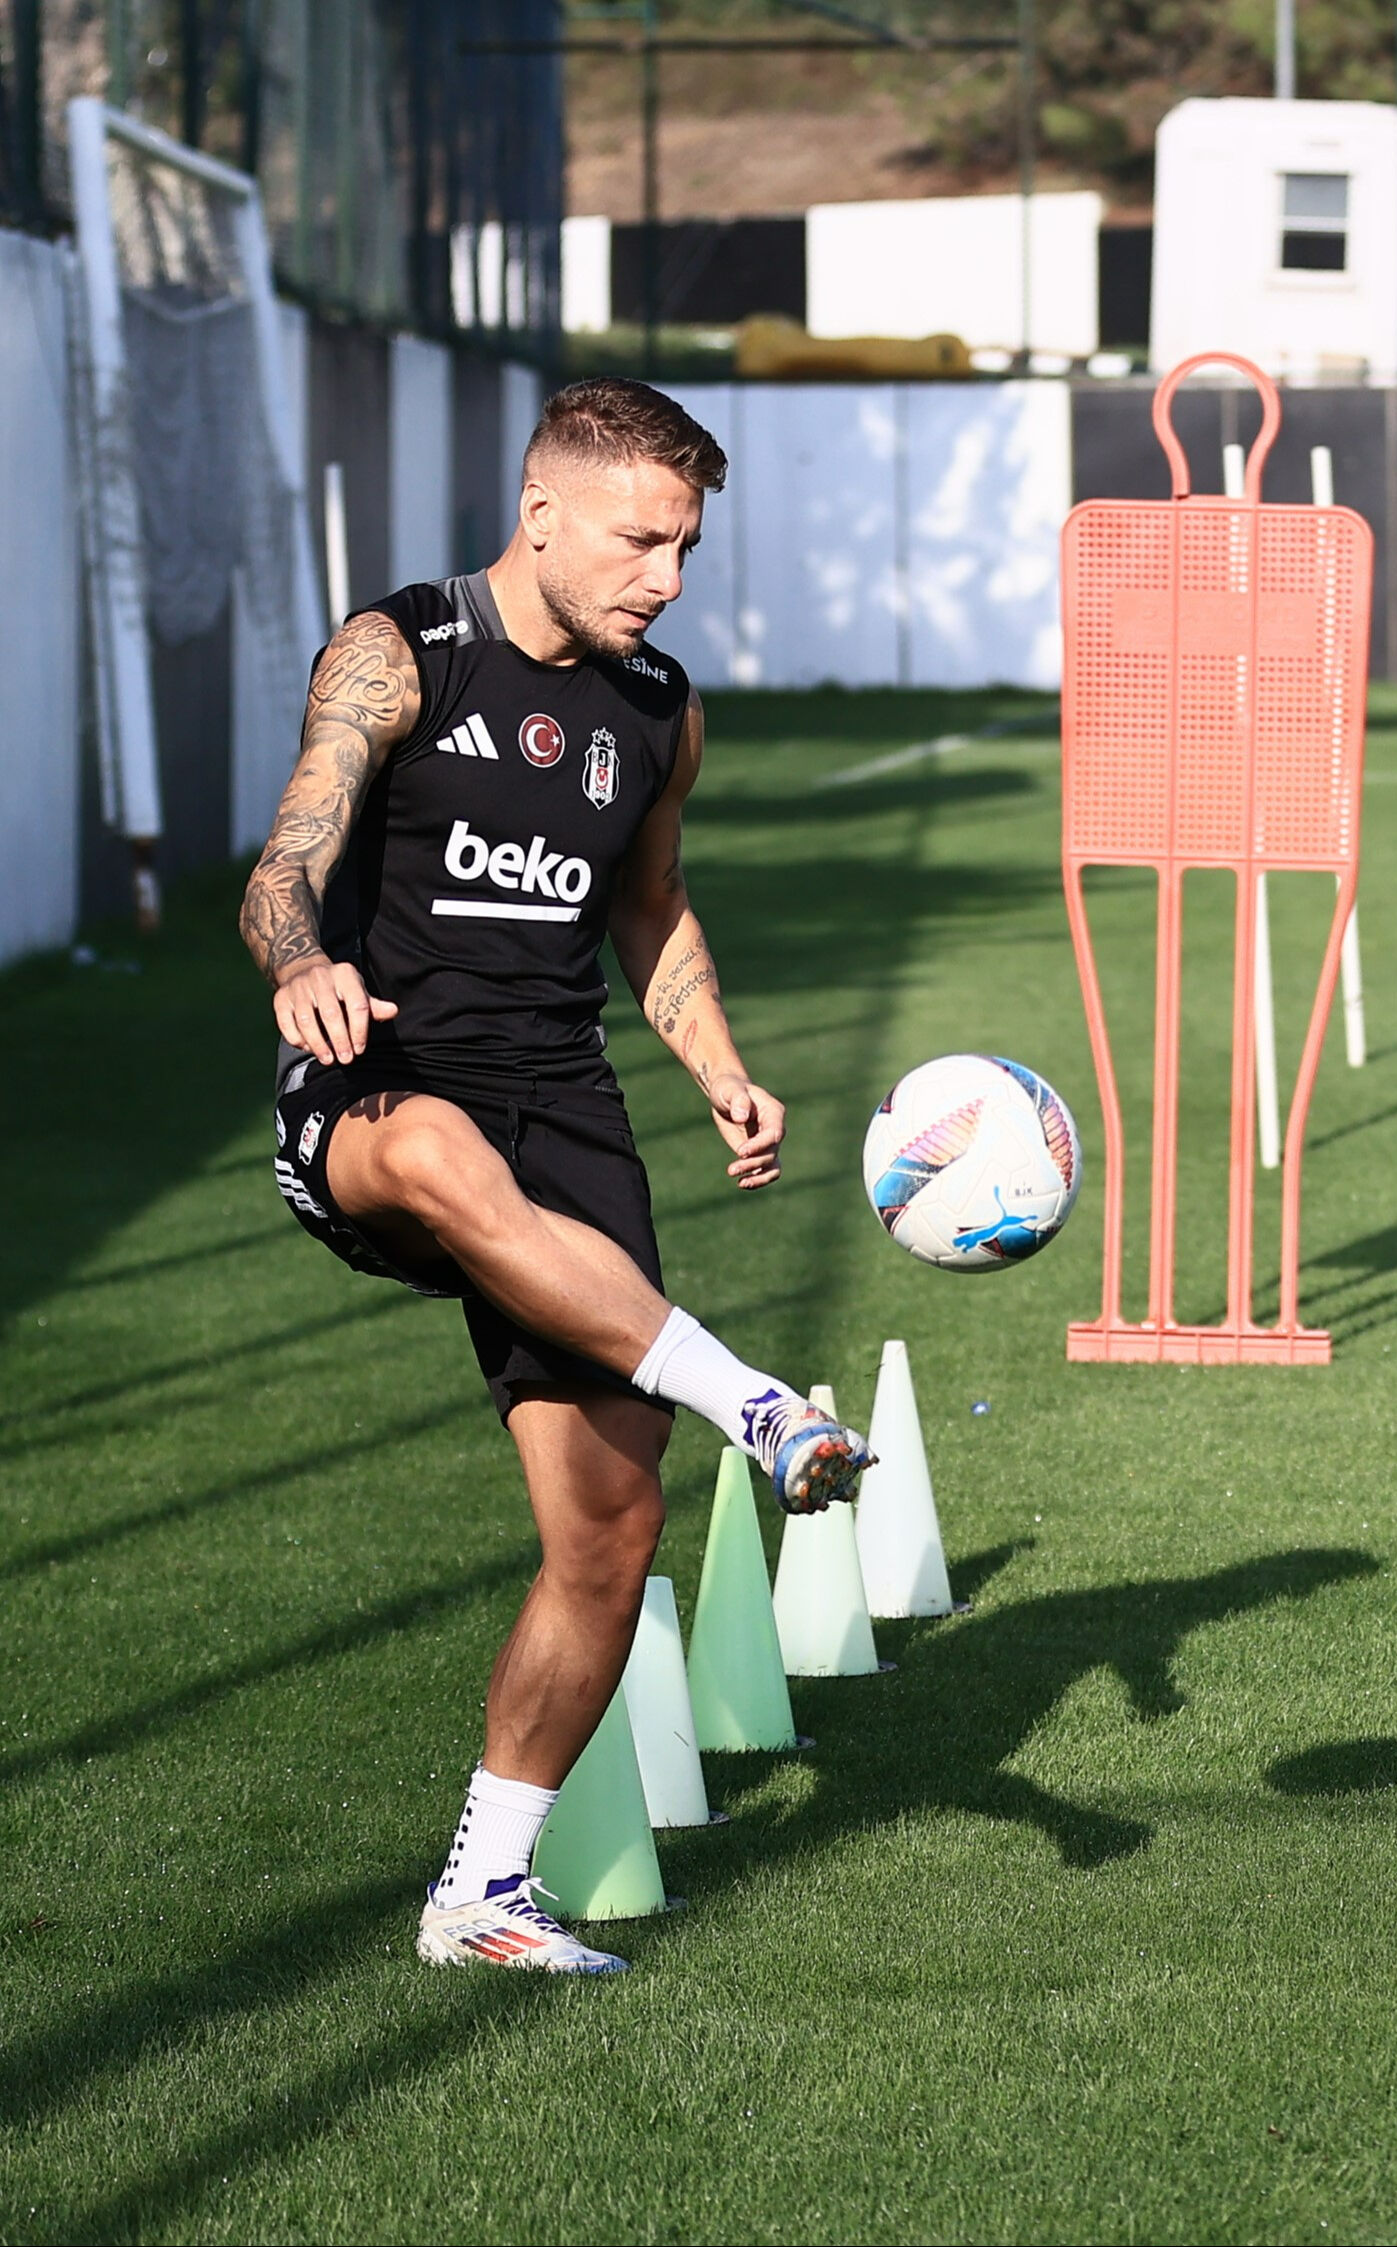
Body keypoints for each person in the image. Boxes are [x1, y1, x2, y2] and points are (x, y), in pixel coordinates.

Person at [240, 378, 870, 1979]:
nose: (665, 572)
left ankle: (484, 1891)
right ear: (541, 511)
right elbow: (287, 860)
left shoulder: (658, 707)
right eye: (639, 537)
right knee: (442, 1150)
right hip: (379, 1083)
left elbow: (650, 910)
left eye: (687, 546)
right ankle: (758, 1400)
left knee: (609, 1526)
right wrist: (301, 959)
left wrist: (717, 1062)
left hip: (565, 1103)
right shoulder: (399, 651)